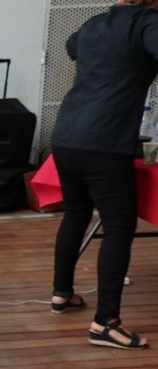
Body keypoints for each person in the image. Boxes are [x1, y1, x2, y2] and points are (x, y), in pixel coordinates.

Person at [49, 0, 157, 350]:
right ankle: (105, 323)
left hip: (66, 136)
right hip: (105, 143)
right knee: (120, 226)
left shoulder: (94, 23)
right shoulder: (146, 23)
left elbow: (72, 47)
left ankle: (62, 294)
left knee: (76, 214)